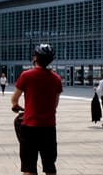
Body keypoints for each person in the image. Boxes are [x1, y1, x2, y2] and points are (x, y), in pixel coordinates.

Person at [10, 44, 62, 175]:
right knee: (50, 167)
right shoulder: (56, 78)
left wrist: (15, 105)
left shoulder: (26, 75)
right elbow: (55, 104)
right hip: (49, 127)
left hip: (30, 127)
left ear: (35, 58)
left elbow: (15, 98)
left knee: (29, 168)